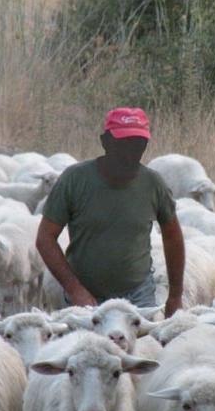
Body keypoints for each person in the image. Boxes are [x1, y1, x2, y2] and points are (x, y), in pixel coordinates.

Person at [36, 107, 185, 317]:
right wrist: (75, 289)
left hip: (138, 296)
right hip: (86, 297)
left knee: (142, 349)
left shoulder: (153, 185)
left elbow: (172, 236)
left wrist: (176, 295)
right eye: (123, 143)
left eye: (138, 143)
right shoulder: (75, 180)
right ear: (105, 142)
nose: (131, 151)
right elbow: (45, 238)